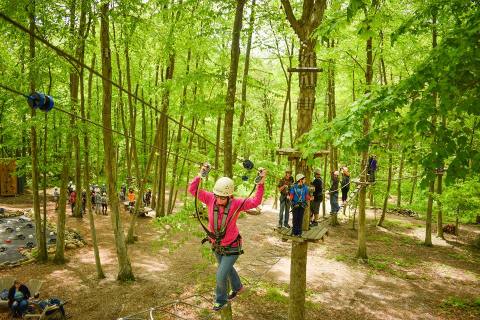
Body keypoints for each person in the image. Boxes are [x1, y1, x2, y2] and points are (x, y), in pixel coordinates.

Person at [188, 164, 266, 311]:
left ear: (229, 196)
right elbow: (193, 190)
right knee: (227, 270)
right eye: (216, 196)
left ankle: (221, 300)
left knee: (220, 275)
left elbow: (255, 201)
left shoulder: (236, 204)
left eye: (222, 198)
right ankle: (238, 287)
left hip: (233, 246)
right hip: (217, 246)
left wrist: (260, 183)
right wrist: (200, 175)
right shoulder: (211, 199)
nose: (218, 200)